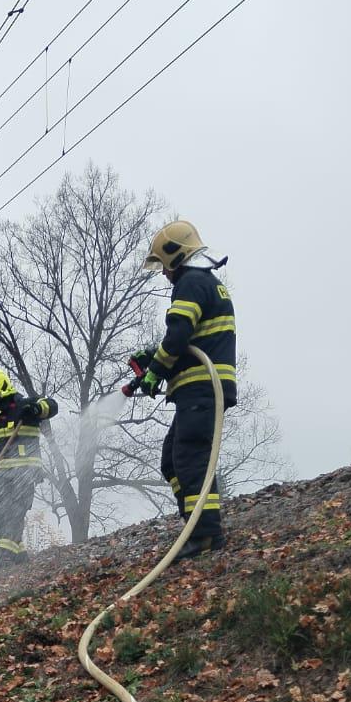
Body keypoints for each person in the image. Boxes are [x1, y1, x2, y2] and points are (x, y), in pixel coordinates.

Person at [125, 219, 236, 562]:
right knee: (172, 459)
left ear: (176, 256)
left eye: (163, 265)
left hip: (202, 387)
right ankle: (194, 524)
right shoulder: (204, 283)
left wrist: (155, 370)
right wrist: (153, 358)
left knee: (190, 457)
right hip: (200, 387)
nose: (163, 273)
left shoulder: (190, 283)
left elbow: (178, 336)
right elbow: (185, 340)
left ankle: (205, 535)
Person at [0, 369, 58, 567]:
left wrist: (36, 410)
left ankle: (4, 557)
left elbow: (51, 405)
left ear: (3, 389)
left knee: (14, 513)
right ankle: (19, 555)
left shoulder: (24, 406)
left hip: (25, 472)